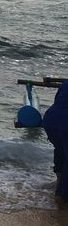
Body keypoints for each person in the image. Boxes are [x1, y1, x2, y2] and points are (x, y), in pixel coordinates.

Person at [43, 80, 68, 208]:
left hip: (50, 120)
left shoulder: (66, 83)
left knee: (60, 150)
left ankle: (59, 183)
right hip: (65, 123)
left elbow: (58, 101)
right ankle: (61, 196)